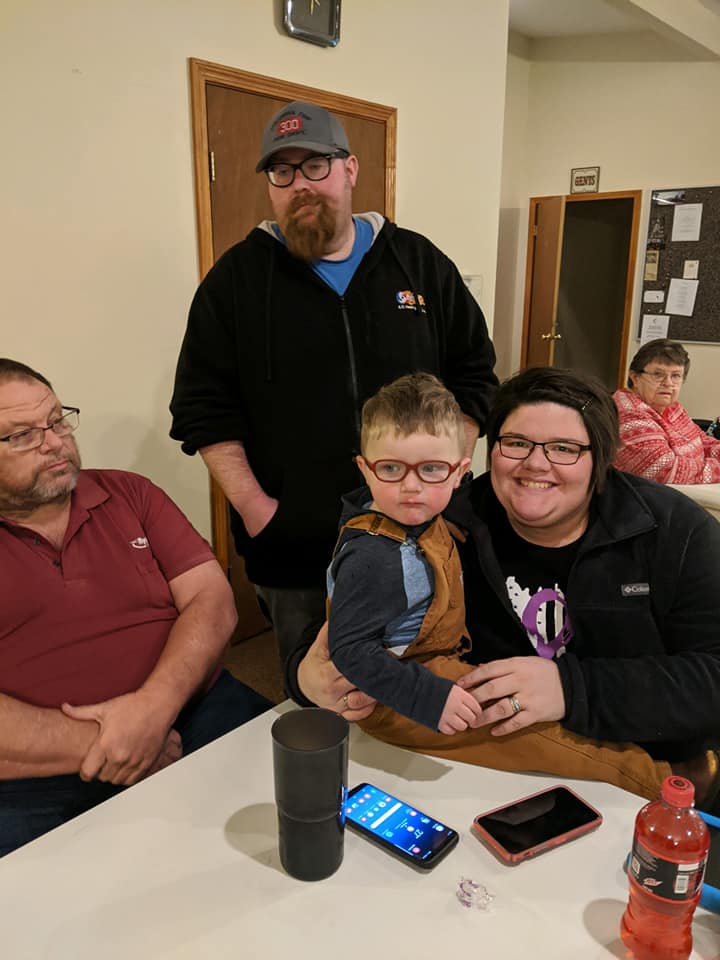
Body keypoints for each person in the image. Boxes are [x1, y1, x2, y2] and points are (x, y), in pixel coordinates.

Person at [287, 368, 720, 806]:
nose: (536, 463)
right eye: (516, 443)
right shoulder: (440, 518)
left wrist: (571, 689)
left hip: (648, 784)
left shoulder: (677, 532)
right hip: (481, 776)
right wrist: (305, 676)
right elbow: (343, 619)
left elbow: (713, 676)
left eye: (564, 448)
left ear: (602, 458)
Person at [169, 100, 498, 665]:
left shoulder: (418, 264)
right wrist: (257, 510)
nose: (300, 183)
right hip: (295, 548)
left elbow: (475, 375)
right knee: (317, 688)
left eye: (316, 165)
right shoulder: (236, 281)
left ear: (350, 170)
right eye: (283, 171)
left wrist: (445, 475)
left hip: (420, 530)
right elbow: (202, 408)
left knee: (425, 673)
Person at [0, 359, 271, 856]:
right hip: (37, 771)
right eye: (22, 435)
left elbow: (213, 602)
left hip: (194, 708)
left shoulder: (129, 492)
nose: (55, 442)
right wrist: (113, 743)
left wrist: (152, 709)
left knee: (307, 796)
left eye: (57, 420)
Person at [327, 373, 480, 733]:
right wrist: (428, 698)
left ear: (459, 473)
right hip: (398, 696)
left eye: (431, 469)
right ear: (365, 470)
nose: (411, 486)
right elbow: (349, 649)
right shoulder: (371, 558)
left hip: (441, 667)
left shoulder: (428, 517)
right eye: (391, 468)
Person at [613, 338, 720, 483]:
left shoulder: (671, 406)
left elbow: (702, 441)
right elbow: (665, 469)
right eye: (658, 374)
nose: (668, 383)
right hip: (647, 495)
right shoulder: (628, 413)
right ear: (635, 378)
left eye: (675, 376)